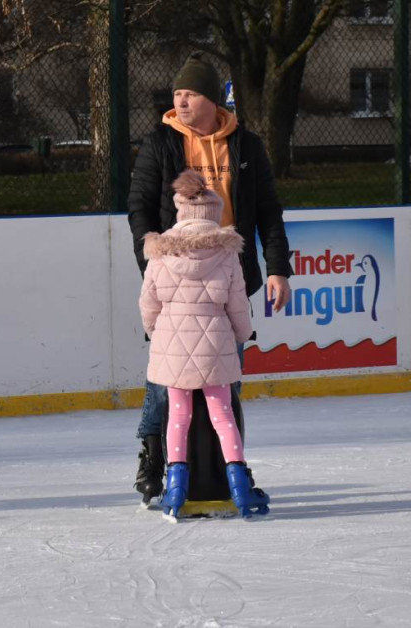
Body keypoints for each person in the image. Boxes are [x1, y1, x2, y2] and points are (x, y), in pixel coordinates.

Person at [127, 52, 293, 503]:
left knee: (228, 383)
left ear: (212, 99)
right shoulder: (161, 141)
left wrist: (278, 267)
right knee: (163, 385)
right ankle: (153, 458)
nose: (180, 101)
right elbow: (139, 207)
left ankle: (231, 469)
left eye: (190, 94)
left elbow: (268, 213)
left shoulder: (246, 145)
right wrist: (155, 265)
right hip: (174, 280)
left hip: (229, 279)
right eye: (177, 94)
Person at [139, 171, 269, 518]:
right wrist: (242, 333)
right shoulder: (227, 253)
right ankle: (240, 488)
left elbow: (148, 302)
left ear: (181, 212)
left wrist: (156, 330)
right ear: (214, 213)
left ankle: (176, 489)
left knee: (178, 417)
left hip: (172, 342)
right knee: (223, 415)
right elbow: (238, 304)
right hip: (215, 342)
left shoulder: (160, 251)